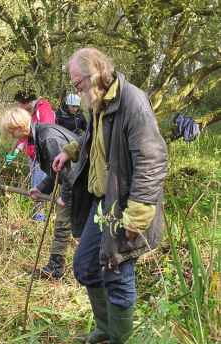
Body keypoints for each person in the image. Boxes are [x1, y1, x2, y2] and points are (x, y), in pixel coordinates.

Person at [52, 48, 167, 343]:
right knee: (86, 267)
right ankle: (105, 330)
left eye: (78, 84)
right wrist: (70, 151)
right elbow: (94, 139)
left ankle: (118, 339)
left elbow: (152, 159)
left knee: (118, 273)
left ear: (95, 73)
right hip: (103, 203)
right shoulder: (99, 101)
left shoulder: (132, 102)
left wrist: (138, 215)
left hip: (126, 205)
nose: (76, 91)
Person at [0, 107, 80, 279]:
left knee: (64, 224)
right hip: (74, 181)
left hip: (79, 182)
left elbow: (68, 173)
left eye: (11, 132)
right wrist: (41, 188)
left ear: (18, 128)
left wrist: (64, 198)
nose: (12, 137)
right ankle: (58, 268)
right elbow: (55, 171)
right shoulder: (38, 136)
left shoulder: (47, 138)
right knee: (70, 225)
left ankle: (56, 269)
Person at [5, 90, 56, 222]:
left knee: (38, 187)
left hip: (42, 157)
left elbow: (47, 131)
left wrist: (43, 155)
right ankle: (37, 216)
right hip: (33, 157)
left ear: (26, 102)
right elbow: (24, 137)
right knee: (35, 185)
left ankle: (39, 218)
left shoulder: (43, 109)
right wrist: (14, 153)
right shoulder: (30, 112)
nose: (20, 107)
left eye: (20, 104)